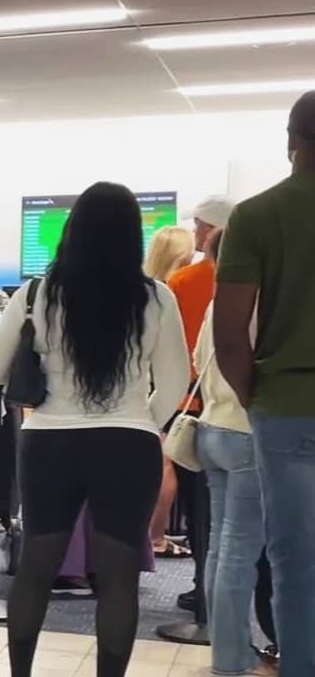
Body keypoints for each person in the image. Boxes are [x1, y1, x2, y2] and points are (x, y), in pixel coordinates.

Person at [0, 182, 189, 677]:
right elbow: (176, 382)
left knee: (35, 570)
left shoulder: (36, 293)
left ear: (72, 232)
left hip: (50, 441)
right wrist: (139, 422)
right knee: (118, 581)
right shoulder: (156, 298)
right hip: (128, 445)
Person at [215, 91, 315, 677]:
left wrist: (257, 396)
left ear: (291, 143)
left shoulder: (256, 215)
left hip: (284, 406)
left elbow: (229, 333)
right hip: (281, 404)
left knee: (294, 564)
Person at [194, 228, 277, 676]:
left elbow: (197, 358)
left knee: (221, 549)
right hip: (247, 431)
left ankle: (228, 652)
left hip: (211, 429)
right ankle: (231, 658)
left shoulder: (215, 304)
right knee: (240, 551)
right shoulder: (261, 303)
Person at [163, 196, 236, 610]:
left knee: (198, 503)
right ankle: (221, 594)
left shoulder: (182, 283)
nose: (194, 234)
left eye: (198, 227)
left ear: (211, 232)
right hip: (236, 408)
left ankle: (201, 583)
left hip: (189, 403)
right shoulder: (257, 279)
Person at [144, 224, 198, 559]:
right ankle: (155, 538)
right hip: (173, 393)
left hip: (144, 392)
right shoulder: (175, 291)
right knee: (165, 466)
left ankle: (152, 537)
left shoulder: (146, 292)